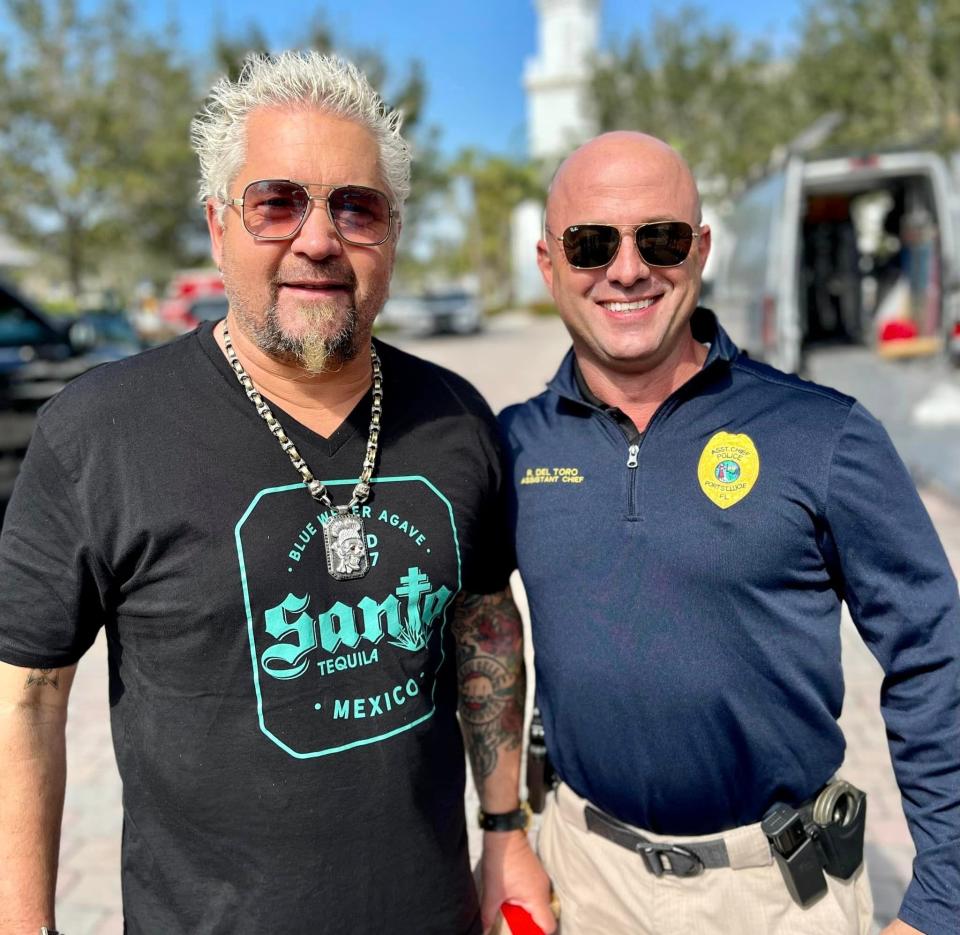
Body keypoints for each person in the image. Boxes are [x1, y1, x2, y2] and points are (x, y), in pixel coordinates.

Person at [0, 51, 553, 935]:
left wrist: (505, 832)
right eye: (277, 202)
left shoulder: (454, 418)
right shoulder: (99, 431)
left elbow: (486, 624)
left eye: (356, 206)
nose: (319, 238)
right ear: (219, 225)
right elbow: (24, 701)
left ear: (393, 234)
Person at [499, 131, 960, 935]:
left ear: (701, 248)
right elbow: (470, 621)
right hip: (584, 877)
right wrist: (503, 834)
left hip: (779, 897)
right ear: (549, 264)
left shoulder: (823, 434)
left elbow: (934, 653)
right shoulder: (513, 444)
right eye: (591, 243)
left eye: (662, 238)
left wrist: (941, 899)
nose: (629, 267)